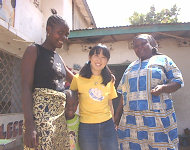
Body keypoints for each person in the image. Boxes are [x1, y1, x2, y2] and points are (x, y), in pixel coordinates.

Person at [115, 34, 184, 150]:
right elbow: (123, 93)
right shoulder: (131, 67)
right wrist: (116, 118)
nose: (139, 47)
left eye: (143, 43)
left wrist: (163, 88)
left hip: (157, 118)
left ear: (152, 45)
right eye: (136, 46)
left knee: (163, 146)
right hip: (132, 120)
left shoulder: (164, 60)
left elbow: (178, 82)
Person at [21, 9, 74, 150]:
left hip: (59, 119)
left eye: (66, 34)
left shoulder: (59, 58)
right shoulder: (33, 50)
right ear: (48, 29)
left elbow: (76, 80)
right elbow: (26, 87)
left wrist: (101, 74)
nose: (64, 37)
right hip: (41, 118)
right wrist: (30, 125)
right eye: (60, 32)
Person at [70, 44, 119, 150]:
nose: (99, 60)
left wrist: (113, 123)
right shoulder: (78, 79)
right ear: (90, 57)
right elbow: (71, 102)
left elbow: (110, 104)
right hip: (87, 126)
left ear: (107, 61)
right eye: (96, 56)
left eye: (103, 57)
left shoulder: (109, 79)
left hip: (108, 125)